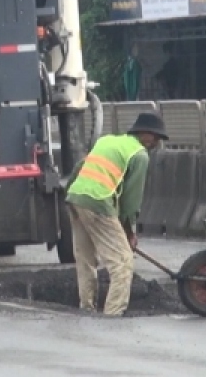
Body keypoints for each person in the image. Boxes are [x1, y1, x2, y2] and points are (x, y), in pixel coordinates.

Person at [64, 112, 169, 316]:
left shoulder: (107, 140)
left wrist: (70, 196)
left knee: (85, 259)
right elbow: (131, 201)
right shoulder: (139, 155)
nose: (156, 141)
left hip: (76, 197)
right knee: (122, 261)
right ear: (143, 133)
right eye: (155, 136)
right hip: (97, 201)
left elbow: (79, 167)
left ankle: (86, 309)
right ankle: (112, 315)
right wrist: (129, 233)